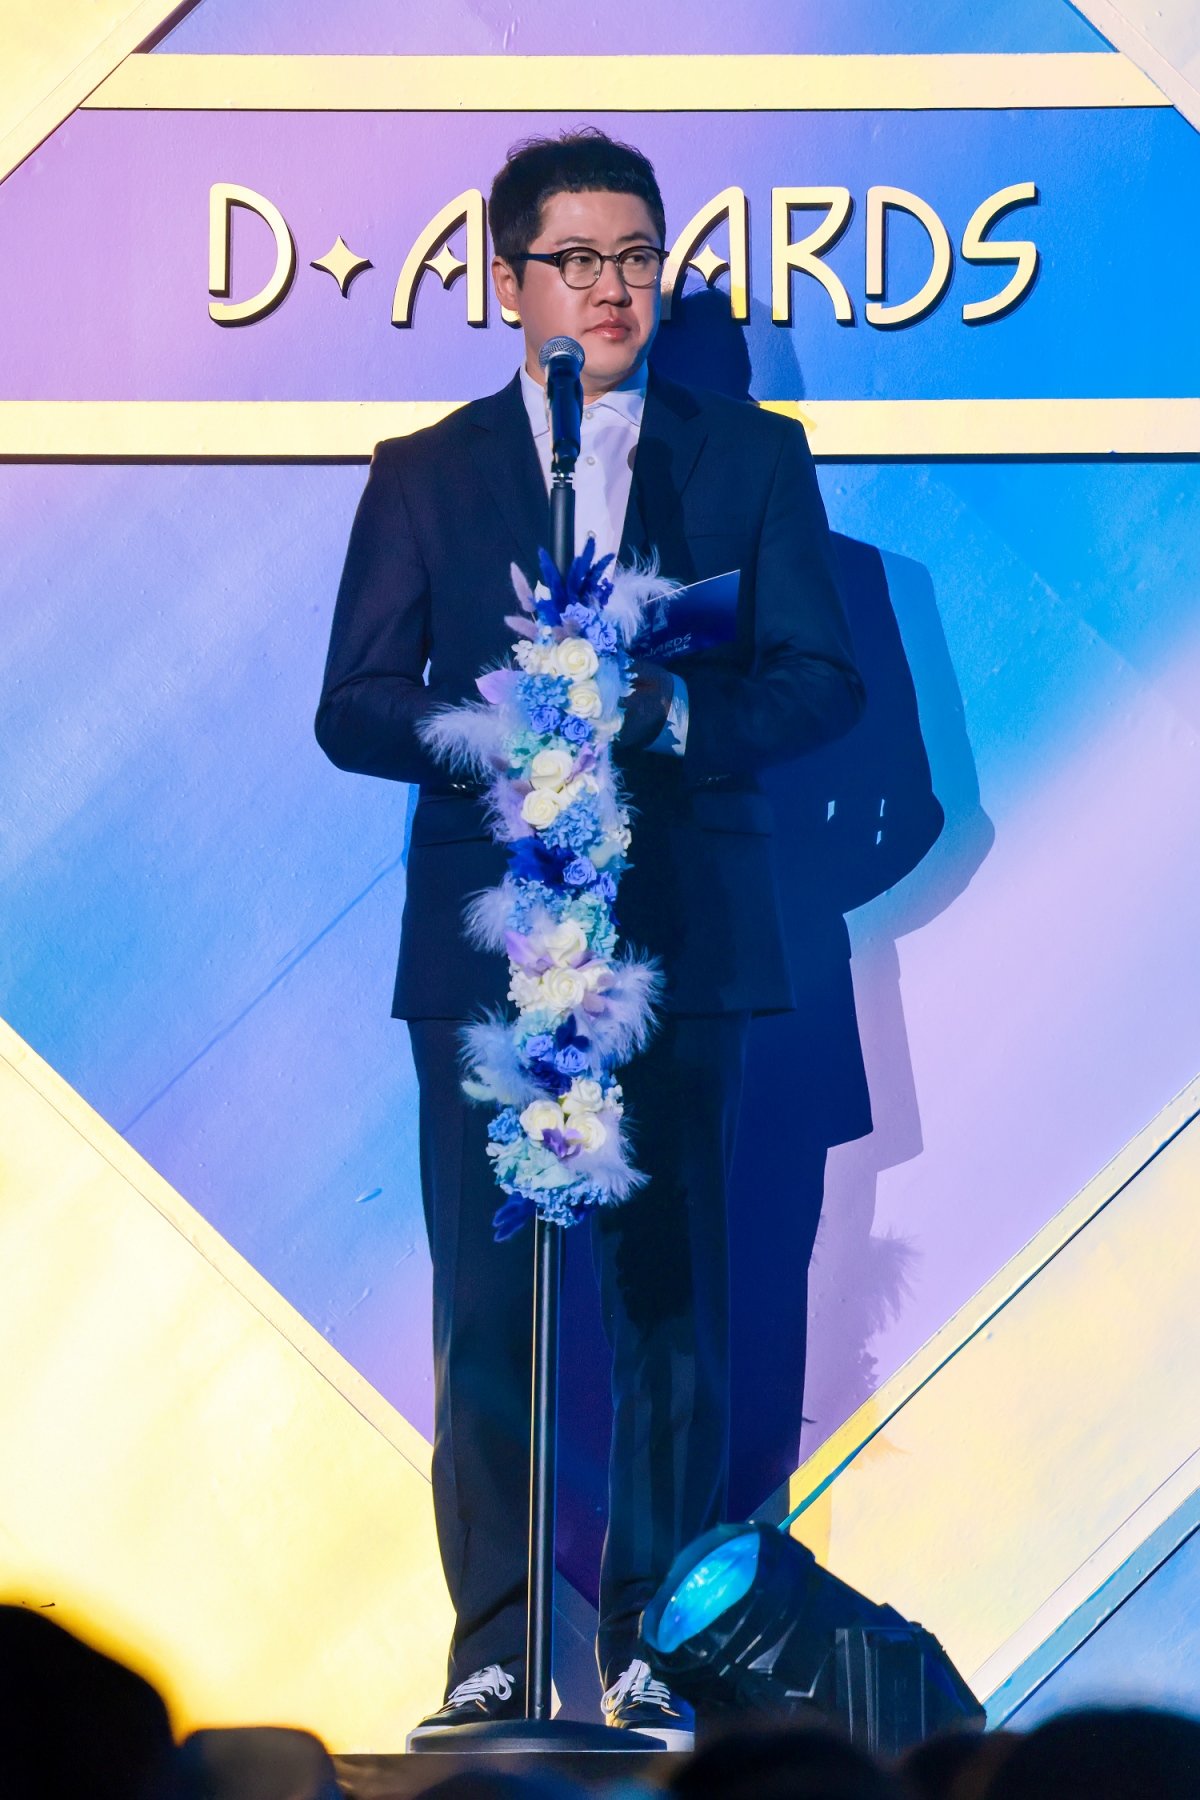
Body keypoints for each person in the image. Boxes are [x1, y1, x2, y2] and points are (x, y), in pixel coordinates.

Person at [315, 129, 865, 1745]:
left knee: (669, 1309)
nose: (613, 288)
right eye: (577, 259)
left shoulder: (748, 460)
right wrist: (505, 730)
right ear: (512, 281)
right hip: (492, 957)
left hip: (683, 942)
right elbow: (354, 704)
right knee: (492, 1304)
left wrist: (670, 711)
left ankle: (651, 1646)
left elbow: (820, 684)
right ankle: (492, 1649)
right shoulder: (428, 472)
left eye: (636, 257)